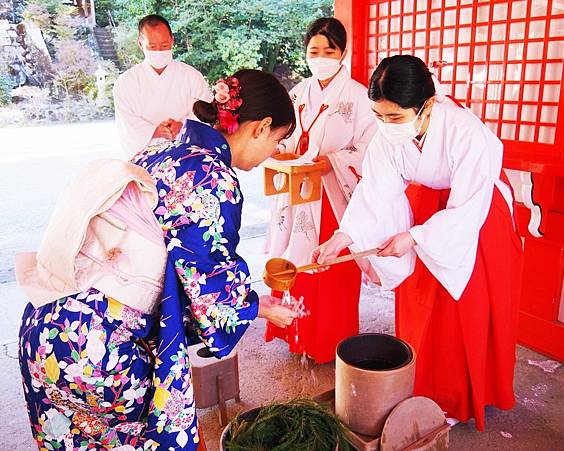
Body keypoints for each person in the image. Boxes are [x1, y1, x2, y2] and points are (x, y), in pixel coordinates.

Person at [17, 69, 298, 449]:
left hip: (46, 322)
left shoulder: (161, 147)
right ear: (261, 127)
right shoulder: (211, 178)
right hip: (97, 346)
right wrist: (260, 308)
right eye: (278, 140)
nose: (274, 153)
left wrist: (249, 302)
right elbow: (210, 290)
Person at [313, 55, 523, 430]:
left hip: (475, 220)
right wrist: (342, 237)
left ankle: (462, 398)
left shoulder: (467, 132)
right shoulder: (389, 134)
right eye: (379, 116)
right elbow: (374, 192)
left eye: (394, 118)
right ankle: (421, 387)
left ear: (425, 104)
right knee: (418, 300)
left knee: (464, 309)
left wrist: (414, 237)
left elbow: (469, 206)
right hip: (426, 211)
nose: (386, 126)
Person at [264, 17, 377, 364]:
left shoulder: (360, 96)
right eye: (315, 50)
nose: (322, 56)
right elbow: (285, 135)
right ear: (306, 52)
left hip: (334, 196)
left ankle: (331, 340)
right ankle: (293, 332)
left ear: (343, 52)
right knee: (293, 261)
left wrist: (334, 161)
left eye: (330, 49)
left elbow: (371, 147)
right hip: (297, 191)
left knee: (330, 269)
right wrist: (278, 150)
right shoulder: (297, 93)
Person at [113, 14, 212, 157]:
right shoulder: (125, 83)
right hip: (146, 159)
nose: (159, 51)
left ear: (172, 41)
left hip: (187, 155)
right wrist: (154, 131)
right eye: (152, 47)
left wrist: (184, 126)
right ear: (140, 44)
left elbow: (206, 112)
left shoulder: (192, 76)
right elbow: (127, 126)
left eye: (164, 46)